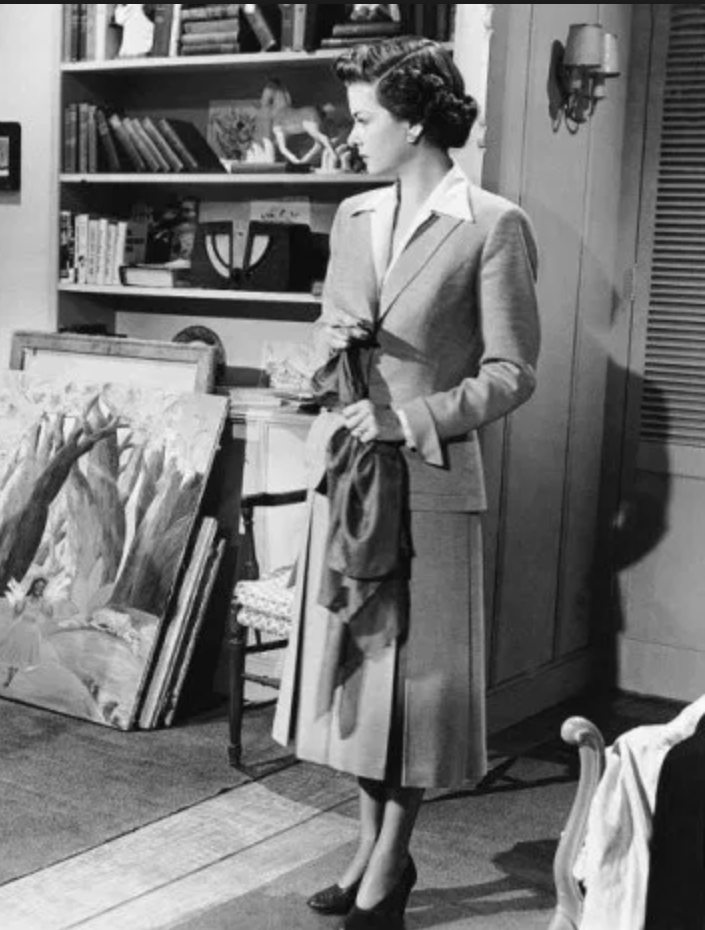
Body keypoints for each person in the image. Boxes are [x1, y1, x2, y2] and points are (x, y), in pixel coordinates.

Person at [271, 36, 540, 930]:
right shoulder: (353, 217)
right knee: (363, 680)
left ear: (415, 123)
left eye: (362, 119)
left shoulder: (493, 225)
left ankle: (391, 861)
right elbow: (331, 339)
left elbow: (512, 374)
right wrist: (324, 355)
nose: (349, 137)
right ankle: (365, 848)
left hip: (429, 481)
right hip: (351, 480)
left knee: (414, 692)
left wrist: (408, 418)